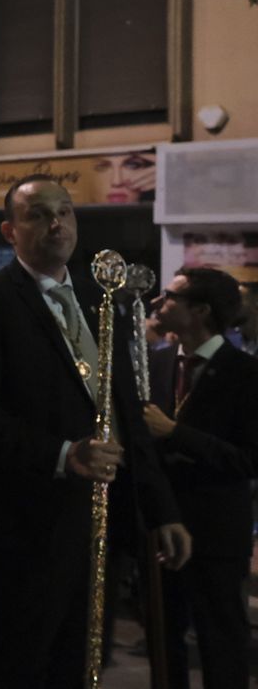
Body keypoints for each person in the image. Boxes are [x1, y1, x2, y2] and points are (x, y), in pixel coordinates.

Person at [0, 174, 190, 688]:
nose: (55, 224)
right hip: (28, 518)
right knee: (22, 661)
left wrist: (161, 507)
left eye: (64, 211)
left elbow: (128, 413)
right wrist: (63, 454)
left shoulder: (99, 301)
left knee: (80, 661)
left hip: (102, 517)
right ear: (10, 231)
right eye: (38, 214)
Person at [142, 267, 258, 689]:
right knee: (162, 637)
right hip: (158, 523)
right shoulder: (154, 363)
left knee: (220, 639)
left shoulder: (244, 373)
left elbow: (249, 460)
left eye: (170, 296)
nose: (157, 302)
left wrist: (176, 433)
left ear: (201, 311)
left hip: (216, 530)